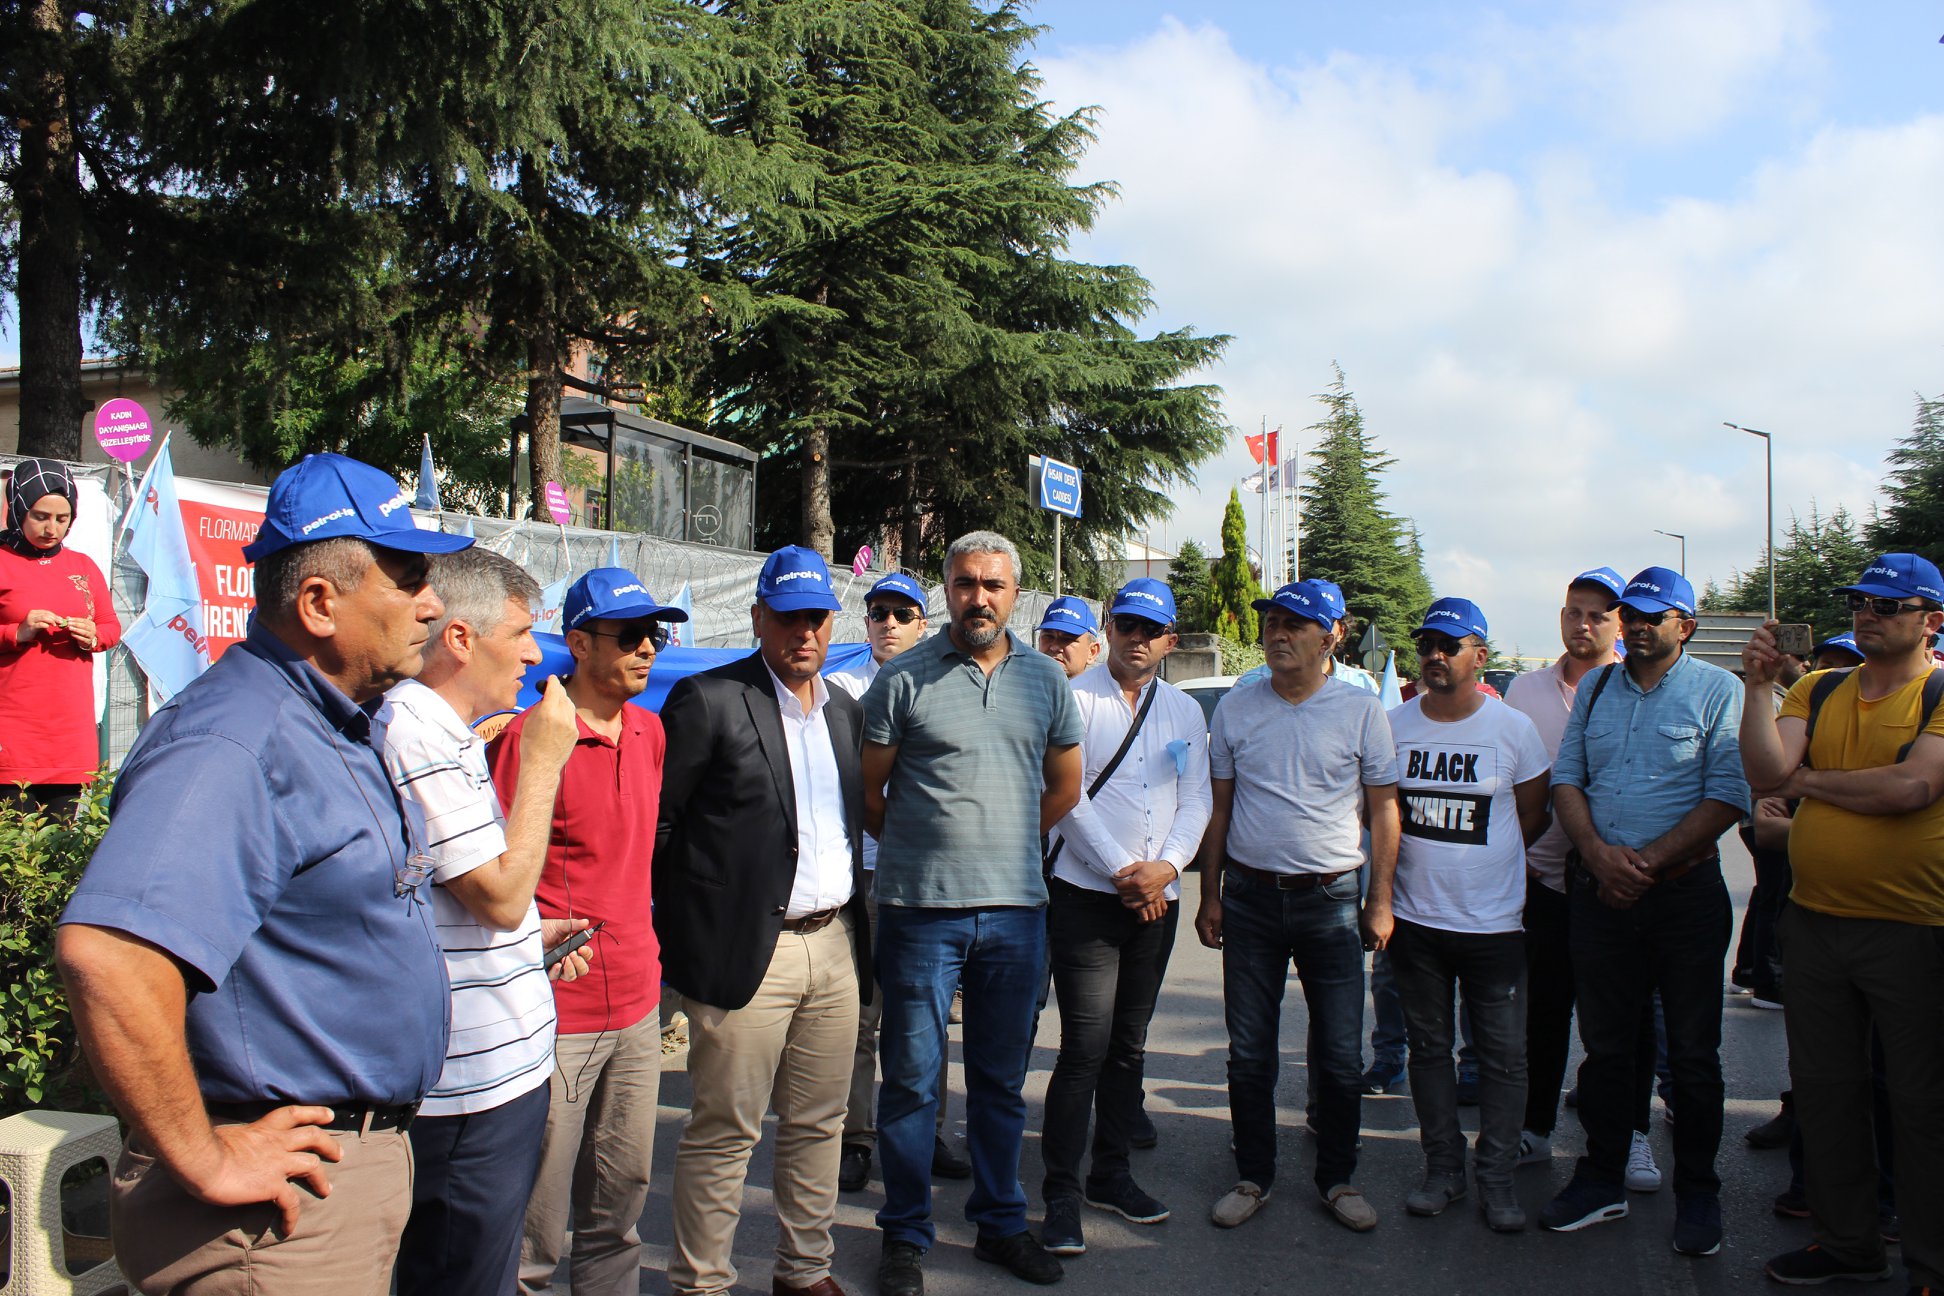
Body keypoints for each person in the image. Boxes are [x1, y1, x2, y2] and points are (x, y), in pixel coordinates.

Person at [56, 452, 472, 1294]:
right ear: (319, 604)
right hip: (269, 1221)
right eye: (406, 579)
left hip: (326, 1186)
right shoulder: (237, 738)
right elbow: (109, 955)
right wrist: (204, 1156)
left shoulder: (329, 723)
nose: (432, 604)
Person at [860, 530, 1083, 1295]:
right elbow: (870, 793)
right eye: (965, 583)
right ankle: (904, 1236)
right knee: (911, 1083)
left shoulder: (1046, 681)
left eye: (993, 584)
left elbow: (1065, 788)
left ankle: (1000, 1224)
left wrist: (1003, 842)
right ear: (947, 591)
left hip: (1017, 913)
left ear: (1015, 593)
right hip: (919, 912)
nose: (978, 597)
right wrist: (928, 846)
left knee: (999, 1082)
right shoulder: (903, 678)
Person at [655, 545, 872, 1296]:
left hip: (834, 944)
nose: (803, 632)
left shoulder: (844, 710)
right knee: (724, 1131)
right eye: (787, 618)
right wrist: (686, 941)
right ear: (757, 618)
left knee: (819, 1124)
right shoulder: (711, 700)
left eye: (816, 617)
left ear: (832, 621)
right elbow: (662, 829)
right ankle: (702, 1284)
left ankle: (804, 1271)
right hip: (747, 953)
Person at [381, 546, 586, 1296]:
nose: (535, 654)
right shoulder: (414, 729)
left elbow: (476, 901)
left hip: (498, 1075)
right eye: (522, 632)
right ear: (462, 638)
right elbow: (499, 896)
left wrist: (530, 937)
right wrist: (544, 761)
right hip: (467, 1090)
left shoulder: (449, 732)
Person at [1740, 553, 1944, 1290]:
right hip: (1816, 921)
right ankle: (1847, 1243)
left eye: (1888, 606)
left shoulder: (1939, 691)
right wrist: (1757, 687)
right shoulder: (1819, 689)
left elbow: (1913, 787)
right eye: (1860, 602)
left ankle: (1931, 1263)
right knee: (1826, 1094)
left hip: (1914, 927)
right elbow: (1765, 772)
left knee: (1921, 1104)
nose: (1867, 615)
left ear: (1932, 621)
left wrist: (1808, 782)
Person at [1537, 567, 1749, 1259]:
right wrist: (1597, 855)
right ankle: (1602, 1177)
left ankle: (1699, 1191)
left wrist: (1647, 863)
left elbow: (1728, 794)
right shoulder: (1599, 687)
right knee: (1607, 1047)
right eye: (1630, 614)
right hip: (1601, 893)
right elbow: (1568, 779)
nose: (1636, 625)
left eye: (1653, 616)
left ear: (1686, 626)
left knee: (1691, 1055)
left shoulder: (1718, 690)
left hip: (1683, 898)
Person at [491, 566, 688, 1296]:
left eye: (655, 633)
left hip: (637, 1004)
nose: (648, 647)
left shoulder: (650, 730)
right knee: (535, 1230)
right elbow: (491, 871)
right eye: (630, 635)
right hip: (556, 1015)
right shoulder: (531, 737)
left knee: (620, 1209)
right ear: (577, 643)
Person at [1195, 578, 1400, 1235]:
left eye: (1294, 624)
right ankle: (1253, 1176)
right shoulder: (1237, 708)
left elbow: (1384, 811)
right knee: (1249, 1051)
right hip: (1250, 899)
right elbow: (1220, 808)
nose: (1277, 635)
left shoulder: (1361, 711)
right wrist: (1208, 895)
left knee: (1339, 1054)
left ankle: (1338, 1179)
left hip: (1331, 900)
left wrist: (1379, 900)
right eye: (1271, 623)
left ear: (1329, 636)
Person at [1038, 579, 1211, 1257]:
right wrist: (1123, 872)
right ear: (1108, 629)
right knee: (1084, 1046)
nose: (1138, 640)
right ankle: (1060, 1191)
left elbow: (1196, 798)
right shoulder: (1072, 701)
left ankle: (1110, 1174)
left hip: (1157, 901)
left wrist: (1166, 868)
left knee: (1128, 1046)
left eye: (1152, 630)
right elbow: (1066, 797)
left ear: (1171, 641)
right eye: (1128, 626)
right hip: (1085, 895)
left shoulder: (1185, 712)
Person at [1383, 598, 1550, 1233]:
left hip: (1494, 927)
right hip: (1416, 923)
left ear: (1479, 656)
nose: (1434, 655)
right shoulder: (1394, 725)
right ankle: (1443, 1169)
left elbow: (1533, 814)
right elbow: (1384, 813)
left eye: (1449, 646)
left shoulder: (1513, 730)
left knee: (1504, 1060)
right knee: (1429, 1051)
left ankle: (1497, 1179)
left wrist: (1490, 867)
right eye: (1427, 643)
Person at [1505, 566, 1662, 1181]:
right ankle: (1534, 1127)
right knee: (1543, 1013)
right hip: (1541, 881)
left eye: (1598, 615)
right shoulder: (1525, 691)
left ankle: (1631, 1133)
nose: (1583, 624)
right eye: (1574, 611)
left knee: (1622, 1021)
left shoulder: (1636, 688)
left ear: (1621, 624)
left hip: (1617, 882)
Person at [828, 574, 969, 1192]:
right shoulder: (839, 691)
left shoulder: (942, 684)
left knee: (926, 1015)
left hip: (921, 876)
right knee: (859, 1019)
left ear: (922, 624)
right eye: (878, 612)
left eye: (901, 613)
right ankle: (855, 1138)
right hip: (857, 875)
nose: (888, 622)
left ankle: (925, 1133)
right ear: (865, 624)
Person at [0, 458, 122, 814]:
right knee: (12, 843)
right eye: (40, 516)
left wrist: (93, 635)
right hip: (12, 733)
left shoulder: (82, 566)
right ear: (18, 509)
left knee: (62, 842)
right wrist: (17, 632)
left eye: (62, 518)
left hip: (69, 737)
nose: (51, 528)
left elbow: (110, 626)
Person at [1036, 594, 1101, 679]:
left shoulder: (1103, 687)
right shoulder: (1020, 684)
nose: (1055, 647)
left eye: (1067, 639)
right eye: (1049, 636)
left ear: (1092, 652)